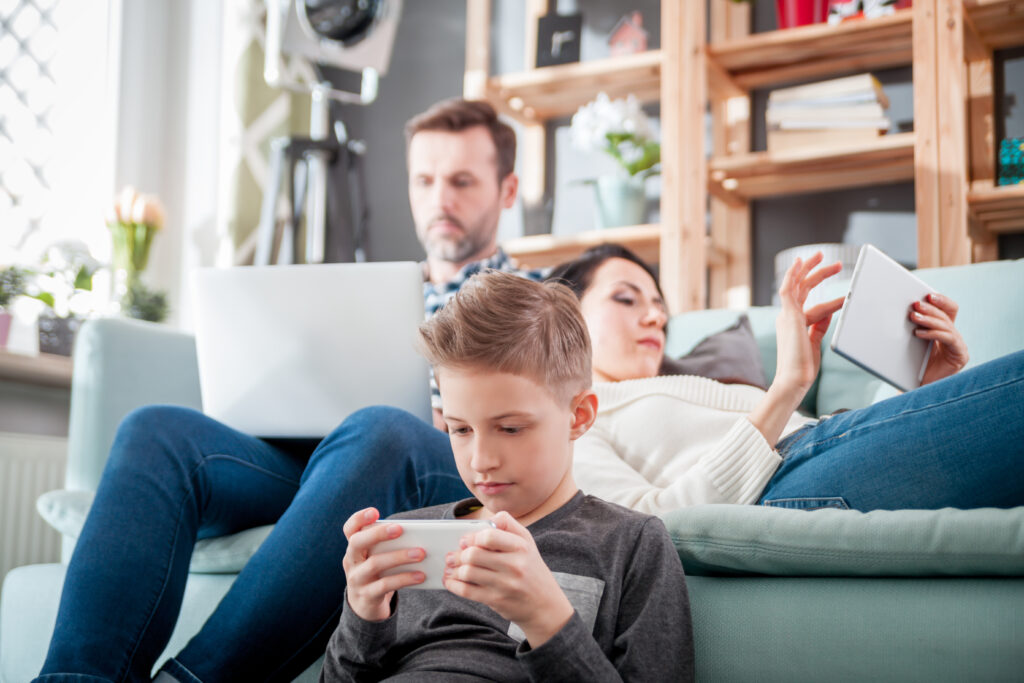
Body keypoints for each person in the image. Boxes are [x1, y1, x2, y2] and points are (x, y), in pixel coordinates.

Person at [35, 98, 542, 683]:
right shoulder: (367, 292)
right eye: (424, 180)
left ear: (507, 191)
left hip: (427, 457)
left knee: (380, 428)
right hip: (329, 462)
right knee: (157, 430)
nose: (439, 200)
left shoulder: (540, 299)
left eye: (461, 181)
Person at [320, 271, 693, 682]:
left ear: (579, 415)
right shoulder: (406, 541)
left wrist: (547, 621)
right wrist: (362, 616)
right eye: (461, 429)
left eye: (511, 428)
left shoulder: (632, 544)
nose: (481, 460)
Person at [546, 243, 1024, 513]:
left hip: (818, 449)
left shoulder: (682, 386)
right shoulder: (573, 420)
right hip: (780, 484)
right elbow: (650, 525)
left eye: (659, 307)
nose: (654, 317)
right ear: (565, 314)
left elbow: (824, 440)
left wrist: (931, 386)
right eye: (627, 300)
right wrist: (785, 389)